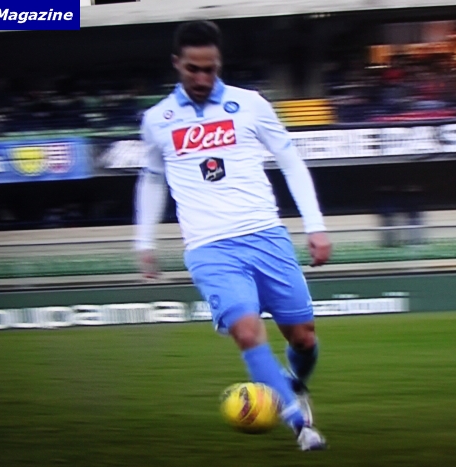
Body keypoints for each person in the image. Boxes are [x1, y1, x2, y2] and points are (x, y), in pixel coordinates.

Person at [133, 20, 331, 450]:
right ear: (177, 64)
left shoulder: (251, 104)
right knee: (246, 331)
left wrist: (314, 224)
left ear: (219, 63)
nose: (203, 78)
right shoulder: (156, 120)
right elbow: (151, 179)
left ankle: (294, 384)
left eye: (210, 69)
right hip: (209, 247)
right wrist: (144, 241)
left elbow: (290, 160)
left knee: (304, 339)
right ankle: (300, 426)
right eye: (193, 69)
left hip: (266, 235)